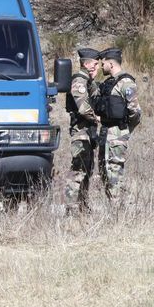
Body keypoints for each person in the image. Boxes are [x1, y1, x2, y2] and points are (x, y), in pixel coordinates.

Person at [96, 47, 141, 202]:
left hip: (117, 132)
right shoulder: (109, 83)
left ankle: (121, 208)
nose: (101, 67)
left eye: (103, 63)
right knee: (104, 171)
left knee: (114, 170)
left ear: (111, 63)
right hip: (106, 131)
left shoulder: (126, 83)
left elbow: (135, 111)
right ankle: (114, 206)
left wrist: (126, 130)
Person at [64, 48, 101, 213]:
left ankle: (83, 205)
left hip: (88, 132)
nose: (97, 68)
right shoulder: (79, 81)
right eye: (95, 64)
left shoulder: (88, 81)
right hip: (80, 132)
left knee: (87, 170)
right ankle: (71, 207)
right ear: (87, 64)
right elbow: (83, 108)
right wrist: (98, 118)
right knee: (78, 170)